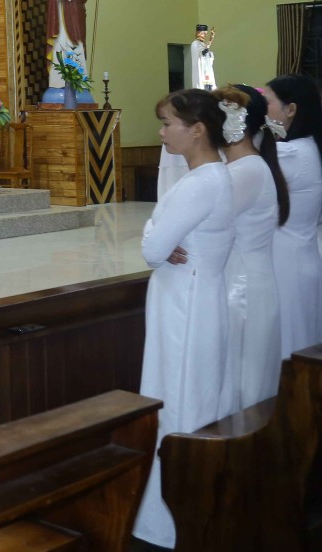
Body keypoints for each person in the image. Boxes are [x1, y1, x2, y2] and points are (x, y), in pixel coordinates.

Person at [133, 89, 237, 548]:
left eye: (167, 123)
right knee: (194, 398)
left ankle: (167, 524)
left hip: (185, 308)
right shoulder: (216, 175)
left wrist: (153, 232)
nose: (161, 133)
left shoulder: (199, 183)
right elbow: (159, 240)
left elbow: (153, 249)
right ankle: (192, 515)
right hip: (199, 297)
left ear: (196, 130)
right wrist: (157, 232)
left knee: (176, 404)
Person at [216, 85, 286, 407]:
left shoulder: (245, 171)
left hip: (241, 286)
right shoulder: (246, 167)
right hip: (244, 277)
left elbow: (203, 224)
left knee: (241, 379)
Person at [264, 74, 322, 356]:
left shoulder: (290, 154)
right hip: (300, 257)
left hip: (285, 264)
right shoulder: (307, 147)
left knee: (288, 350)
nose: (262, 109)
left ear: (291, 109)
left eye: (267, 102)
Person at [191, 25, 217, 90]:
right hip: (201, 69)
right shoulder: (195, 43)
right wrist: (210, 40)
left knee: (209, 85)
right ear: (199, 33)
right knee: (202, 86)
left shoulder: (203, 44)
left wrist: (210, 55)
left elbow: (206, 54)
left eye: (206, 33)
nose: (205, 35)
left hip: (206, 68)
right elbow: (201, 54)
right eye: (204, 33)